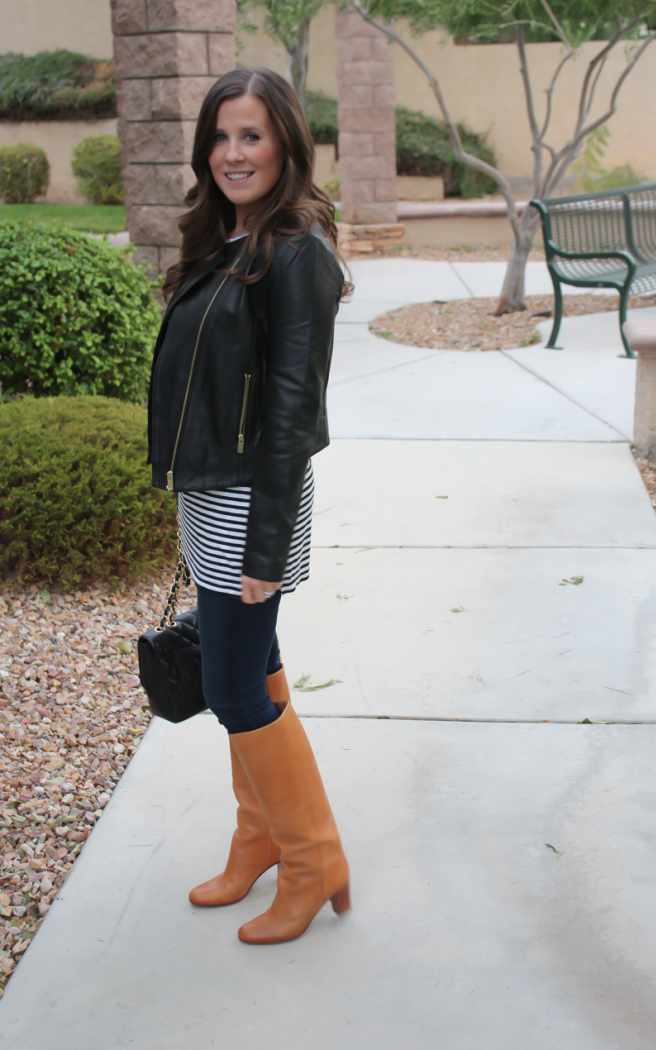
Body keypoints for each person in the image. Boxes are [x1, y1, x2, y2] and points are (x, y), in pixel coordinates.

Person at [147, 66, 351, 945]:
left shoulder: (295, 250)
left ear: (285, 146)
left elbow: (290, 413)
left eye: (252, 136)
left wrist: (263, 551)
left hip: (251, 506)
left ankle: (313, 858)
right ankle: (260, 837)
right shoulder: (227, 236)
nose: (234, 153)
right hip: (212, 497)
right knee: (254, 670)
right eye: (222, 136)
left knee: (234, 687)